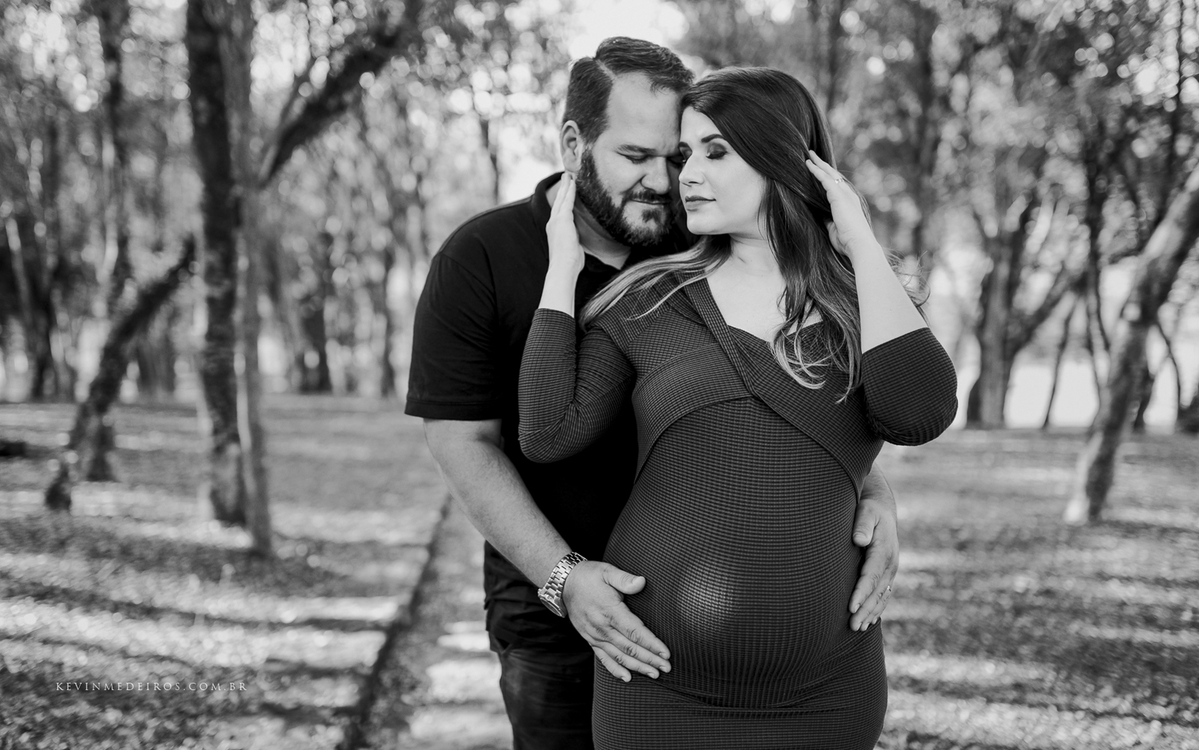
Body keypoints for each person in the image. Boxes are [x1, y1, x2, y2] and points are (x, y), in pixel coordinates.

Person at [405, 39, 903, 750]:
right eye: (634, 158)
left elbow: (785, 391)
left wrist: (872, 493)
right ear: (574, 142)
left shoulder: (705, 235)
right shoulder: (480, 256)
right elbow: (462, 443)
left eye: (677, 158)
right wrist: (564, 579)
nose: (664, 183)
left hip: (714, 641)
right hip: (553, 611)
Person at [517, 67, 958, 749]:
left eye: (715, 152)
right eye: (686, 154)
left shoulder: (861, 305)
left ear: (783, 159)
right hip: (658, 692)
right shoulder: (649, 298)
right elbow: (548, 433)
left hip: (826, 696)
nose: (686, 174)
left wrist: (859, 241)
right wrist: (560, 270)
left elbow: (919, 415)